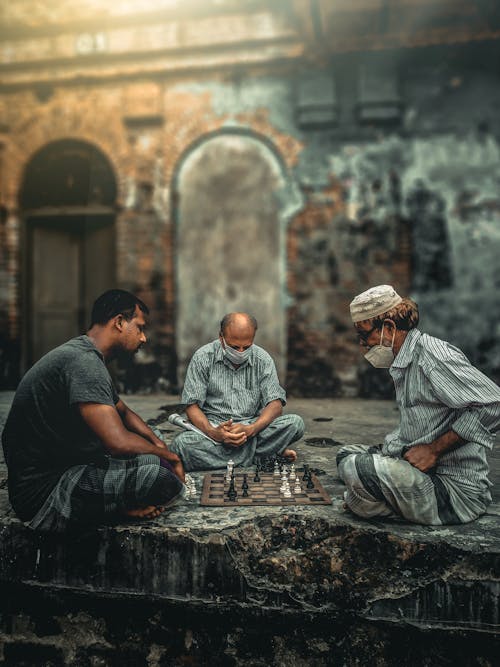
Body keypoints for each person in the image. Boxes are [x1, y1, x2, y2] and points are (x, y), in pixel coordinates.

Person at [2, 289, 185, 531]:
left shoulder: (87, 356)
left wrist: (158, 446)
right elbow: (117, 442)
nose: (143, 339)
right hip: (46, 493)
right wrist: (171, 457)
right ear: (119, 322)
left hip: (72, 464)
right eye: (139, 328)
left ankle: (114, 503)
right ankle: (113, 509)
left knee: (154, 444)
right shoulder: (84, 364)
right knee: (160, 478)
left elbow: (125, 413)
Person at [337, 284, 500, 525]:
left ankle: (378, 499)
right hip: (416, 467)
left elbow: (494, 404)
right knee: (345, 454)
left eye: (364, 335)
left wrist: (433, 450)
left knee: (356, 469)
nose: (363, 344)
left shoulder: (434, 357)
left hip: (452, 490)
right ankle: (376, 497)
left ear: (389, 328)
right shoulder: (406, 359)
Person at [170, 312, 304, 471]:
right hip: (214, 430)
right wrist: (214, 433)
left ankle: (235, 457)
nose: (240, 352)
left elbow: (275, 404)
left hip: (251, 428)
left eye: (246, 347)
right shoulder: (203, 357)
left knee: (295, 423)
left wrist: (251, 429)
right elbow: (192, 406)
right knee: (182, 445)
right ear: (221, 338)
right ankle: (263, 455)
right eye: (234, 347)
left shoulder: (262, 359)